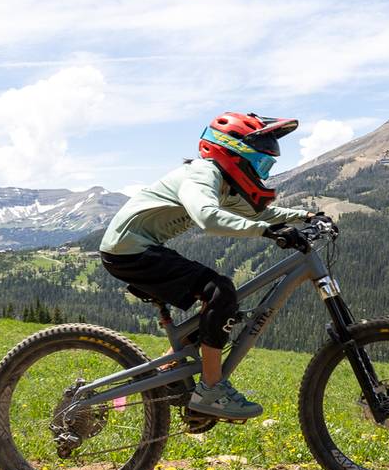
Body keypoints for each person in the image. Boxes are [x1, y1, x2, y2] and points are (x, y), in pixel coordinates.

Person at [99, 112, 314, 420]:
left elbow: (257, 214)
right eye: (260, 163)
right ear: (233, 152)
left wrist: (304, 216)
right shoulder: (201, 173)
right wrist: (269, 233)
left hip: (137, 249)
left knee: (217, 310)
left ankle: (166, 371)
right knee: (220, 292)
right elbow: (207, 217)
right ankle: (211, 390)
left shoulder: (223, 180)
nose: (262, 172)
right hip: (129, 252)